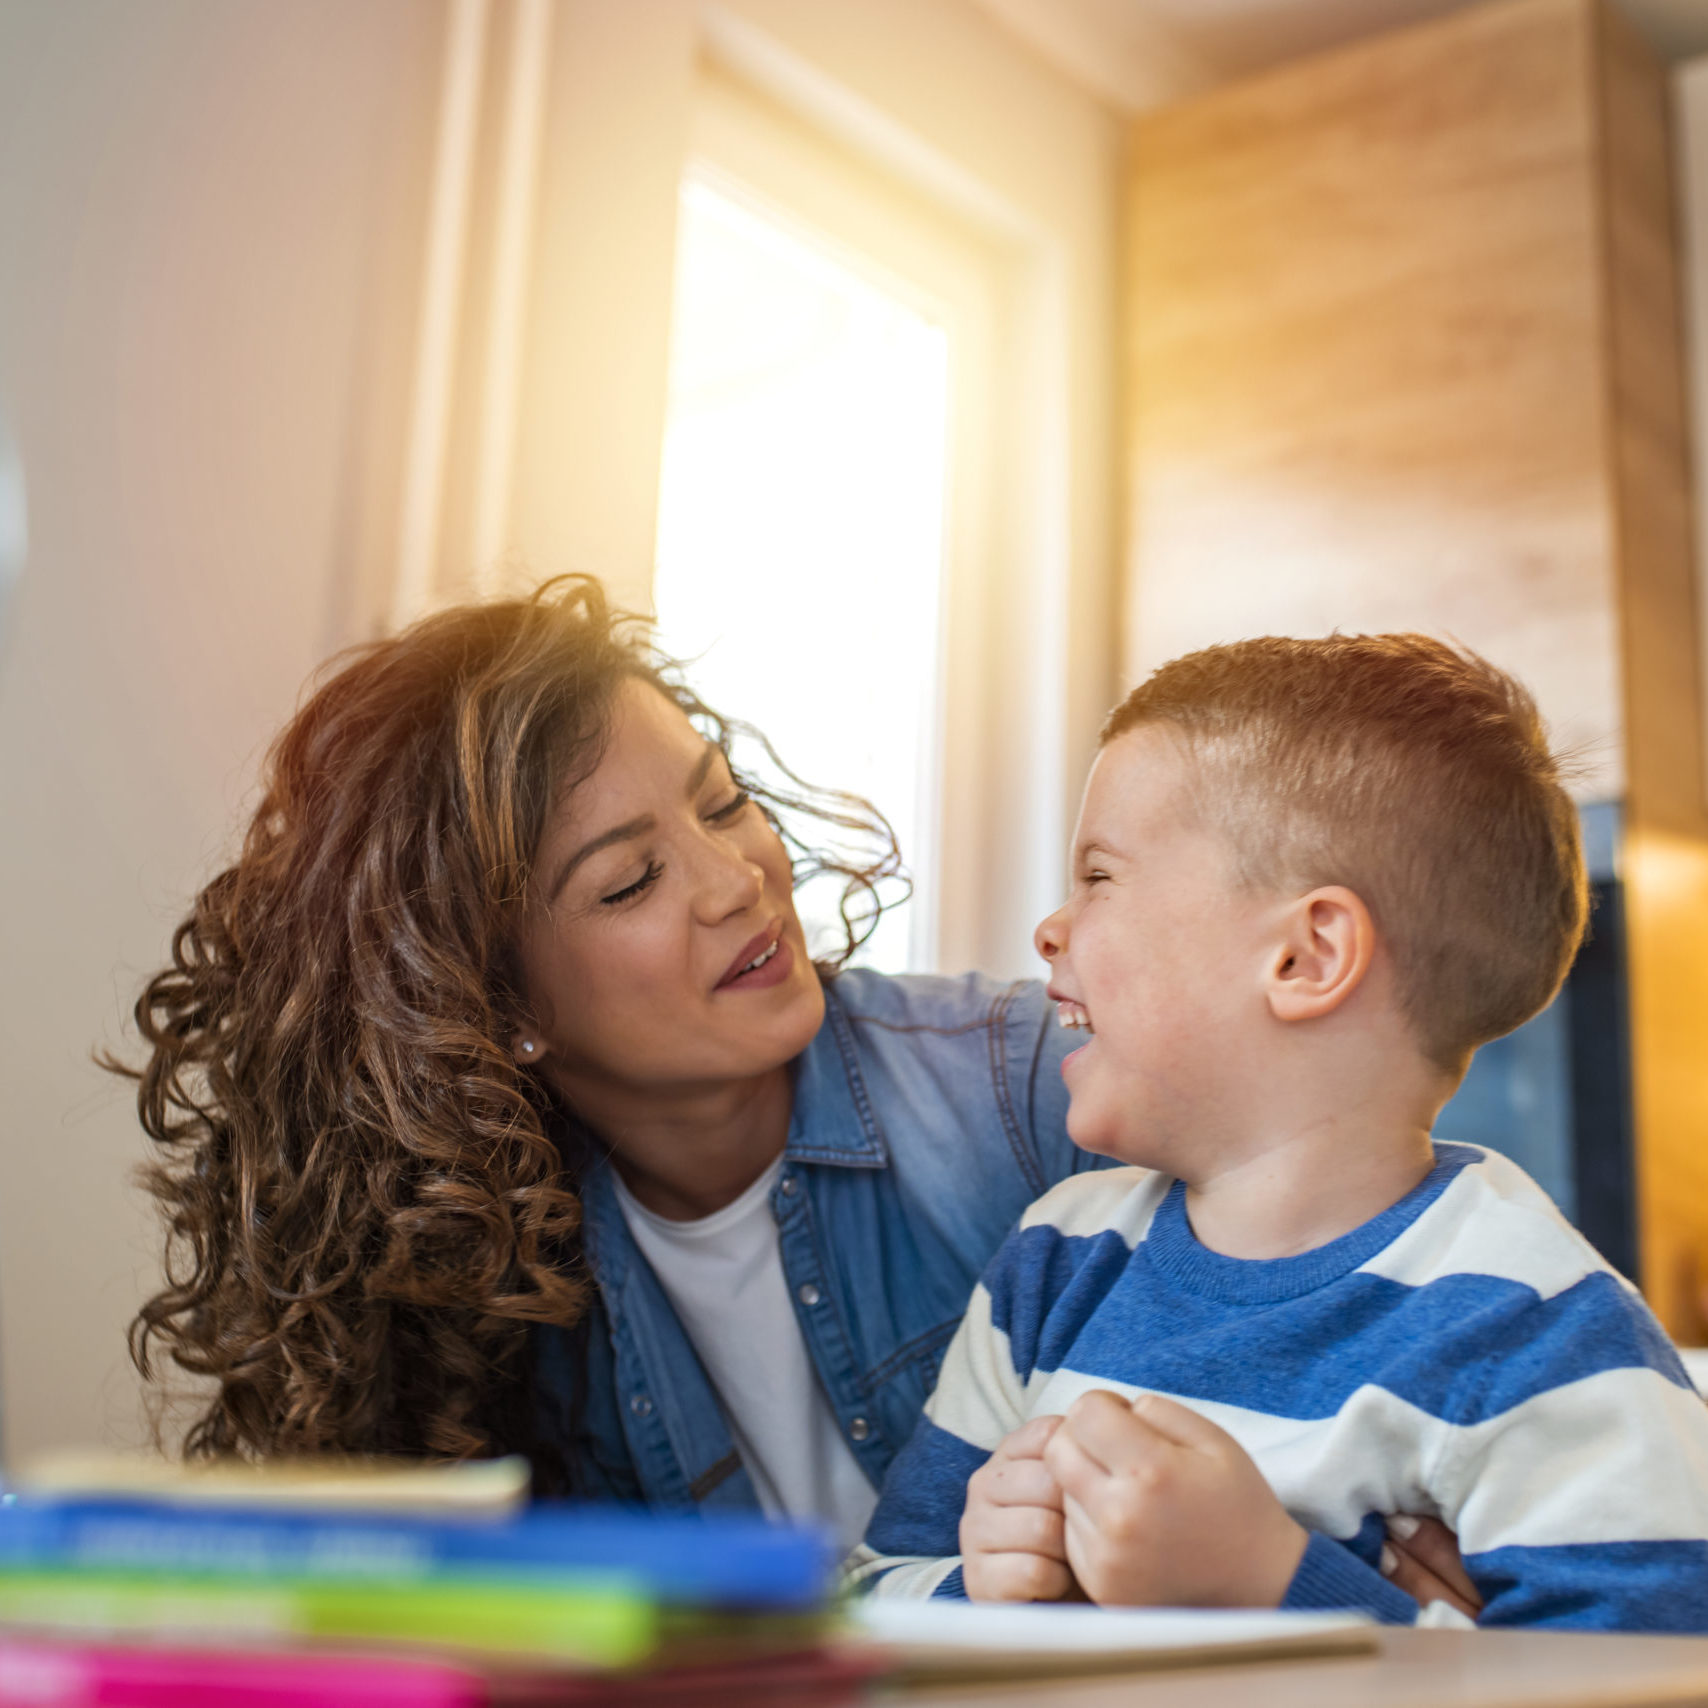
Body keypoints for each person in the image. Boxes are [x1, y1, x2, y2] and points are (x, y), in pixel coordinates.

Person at [112, 579, 1472, 1603]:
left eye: (718, 805)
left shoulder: (1028, 1093)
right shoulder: (489, 1286)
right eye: (631, 880)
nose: (735, 881)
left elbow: (1398, 1292)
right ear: (500, 1007)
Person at [851, 634, 1708, 1630]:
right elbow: (871, 1593)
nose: (1051, 926)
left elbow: (1653, 1675)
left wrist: (1269, 1575)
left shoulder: (1533, 1327)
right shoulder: (1055, 1262)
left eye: (1099, 876)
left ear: (1305, 956)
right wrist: (991, 1585)